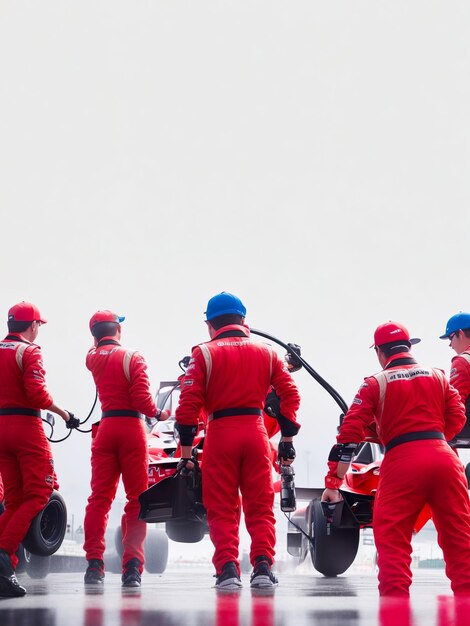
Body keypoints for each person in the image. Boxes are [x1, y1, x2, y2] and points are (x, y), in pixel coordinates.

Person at [321, 321, 470, 597]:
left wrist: (333, 481)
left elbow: (348, 435)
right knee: (461, 544)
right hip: (444, 459)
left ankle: (396, 612)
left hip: (401, 463)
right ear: (408, 346)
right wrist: (434, 437)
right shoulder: (438, 376)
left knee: (393, 546)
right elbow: (458, 418)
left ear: (379, 352)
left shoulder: (374, 384)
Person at [175, 292, 301, 589]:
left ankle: (228, 571)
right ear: (244, 320)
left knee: (221, 507)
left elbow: (187, 407)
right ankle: (262, 568)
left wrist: (186, 454)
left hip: (220, 434)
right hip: (256, 433)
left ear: (209, 325)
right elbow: (290, 396)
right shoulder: (268, 352)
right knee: (259, 505)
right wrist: (287, 440)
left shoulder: (203, 353)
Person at [83, 310, 169, 588]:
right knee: (136, 500)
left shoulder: (92, 358)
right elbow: (142, 400)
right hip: (132, 430)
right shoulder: (134, 357)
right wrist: (160, 413)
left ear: (96, 335)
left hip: (106, 429)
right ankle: (132, 566)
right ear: (117, 330)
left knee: (99, 499)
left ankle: (94, 566)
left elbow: (95, 348)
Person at [0, 301, 79, 597]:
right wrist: (65, 415)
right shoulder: (29, 352)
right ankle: (2, 557)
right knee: (38, 495)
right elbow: (37, 394)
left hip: (2, 430)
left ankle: (4, 566)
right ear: (32, 326)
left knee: (15, 500)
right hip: (25, 430)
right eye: (39, 326)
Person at [440, 312, 470, 410]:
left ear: (460, 334)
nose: (450, 345)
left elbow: (456, 405)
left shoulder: (463, 361)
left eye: (450, 338)